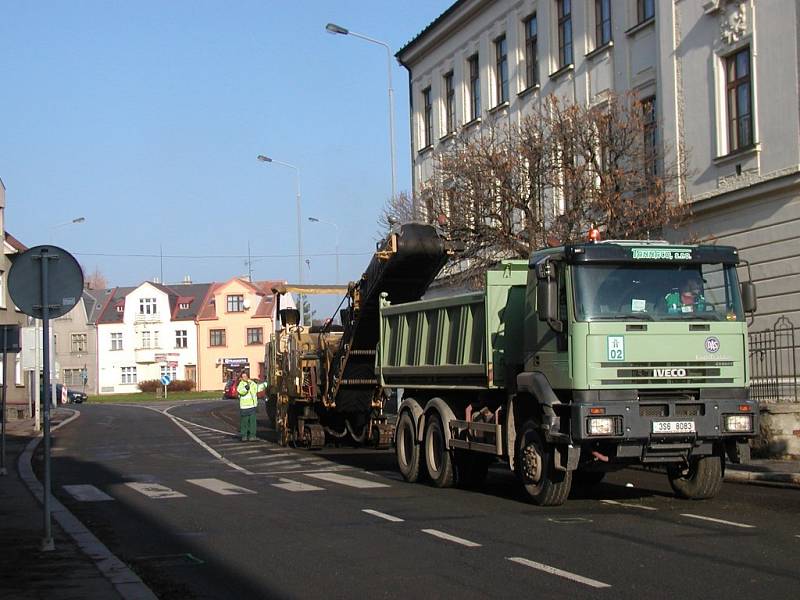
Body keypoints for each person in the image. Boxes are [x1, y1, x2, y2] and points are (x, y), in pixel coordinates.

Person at [236, 371, 259, 441]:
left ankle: (252, 436)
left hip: (252, 406)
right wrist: (246, 388)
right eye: (243, 377)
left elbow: (258, 388)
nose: (244, 378)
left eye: (245, 376)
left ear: (248, 376)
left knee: (252, 422)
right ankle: (244, 436)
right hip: (244, 407)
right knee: (244, 422)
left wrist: (266, 384)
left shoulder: (252, 383)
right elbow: (240, 391)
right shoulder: (241, 384)